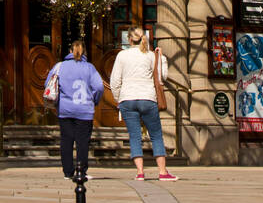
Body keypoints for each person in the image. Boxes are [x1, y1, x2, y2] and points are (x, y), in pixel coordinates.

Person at [109, 26, 176, 180]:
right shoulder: (151, 55)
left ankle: (140, 172)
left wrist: (119, 98)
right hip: (147, 98)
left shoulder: (122, 55)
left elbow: (115, 81)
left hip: (127, 99)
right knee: (156, 136)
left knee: (134, 136)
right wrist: (162, 59)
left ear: (129, 39)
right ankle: (162, 172)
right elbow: (162, 77)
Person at [44, 39, 104, 182]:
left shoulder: (60, 66)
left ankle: (67, 171)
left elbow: (48, 83)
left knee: (66, 140)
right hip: (84, 109)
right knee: (82, 142)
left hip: (65, 109)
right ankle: (81, 170)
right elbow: (99, 87)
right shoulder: (89, 68)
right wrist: (94, 100)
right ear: (84, 52)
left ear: (70, 51)